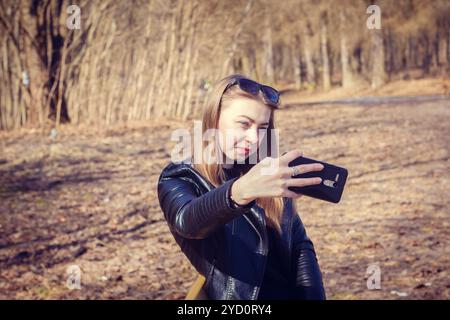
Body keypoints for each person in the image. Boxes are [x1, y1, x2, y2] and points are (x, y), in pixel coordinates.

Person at [157, 74, 326, 300]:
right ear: (214, 119)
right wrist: (240, 192)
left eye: (262, 127)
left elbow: (299, 246)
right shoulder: (180, 176)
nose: (254, 139)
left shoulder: (264, 170)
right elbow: (187, 222)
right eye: (244, 124)